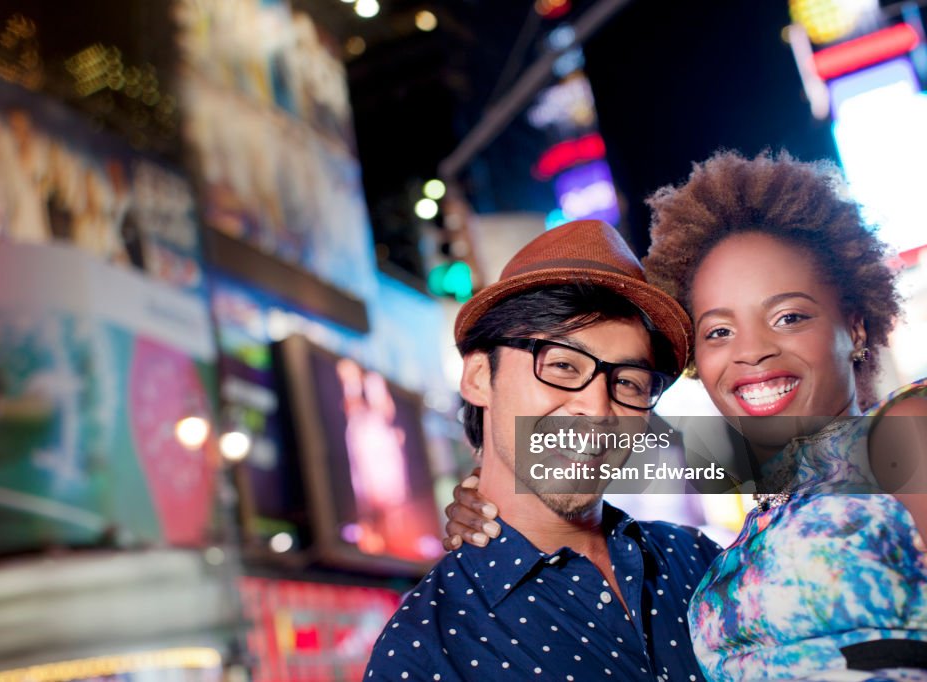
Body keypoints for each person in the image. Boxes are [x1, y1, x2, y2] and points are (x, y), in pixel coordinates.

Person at [444, 152, 927, 680]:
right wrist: (497, 497)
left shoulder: (903, 434)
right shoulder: (726, 549)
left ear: (855, 329)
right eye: (719, 331)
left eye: (788, 316)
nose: (753, 351)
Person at [365, 220, 723, 681]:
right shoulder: (426, 648)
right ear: (478, 377)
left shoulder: (699, 562)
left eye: (628, 383)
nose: (596, 408)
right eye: (561, 365)